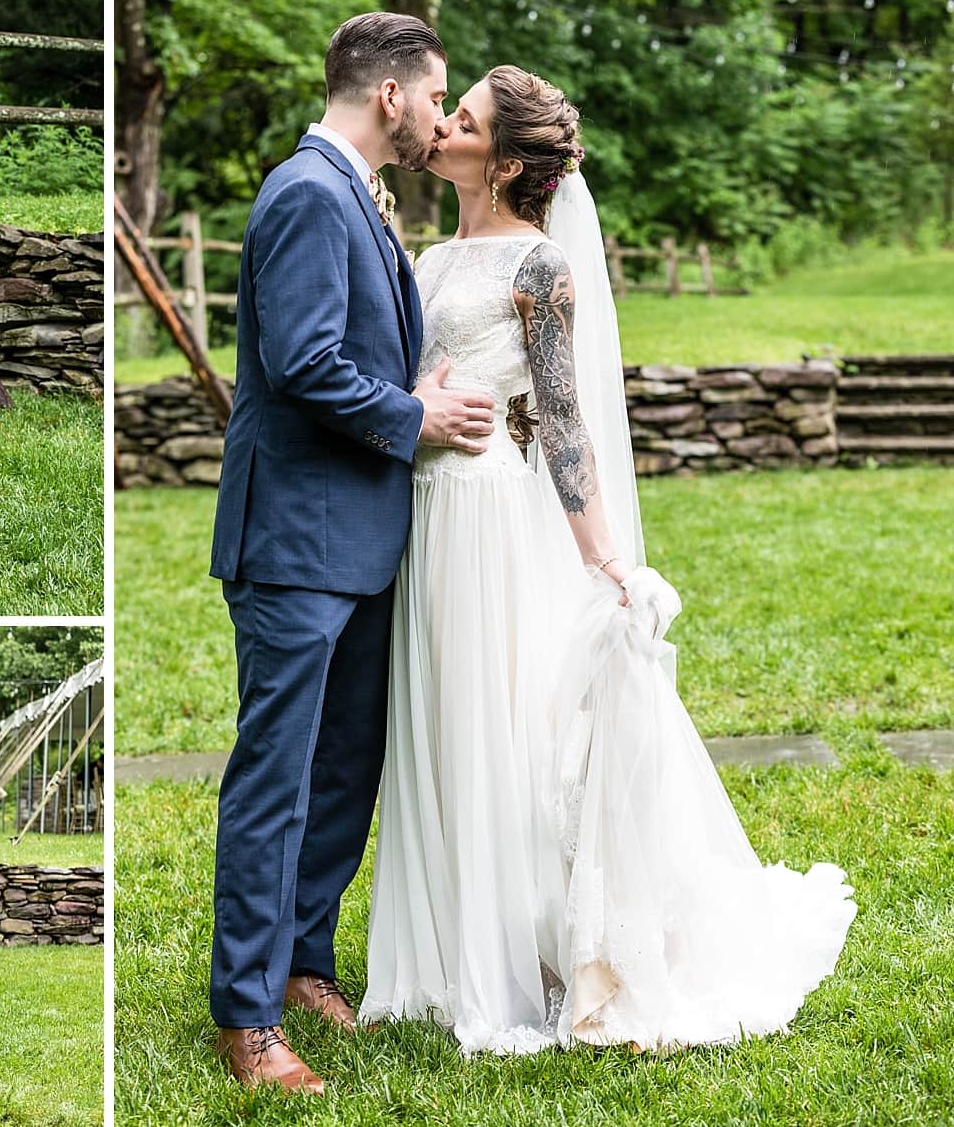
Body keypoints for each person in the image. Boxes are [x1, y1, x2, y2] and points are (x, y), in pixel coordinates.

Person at [360, 65, 856, 1054]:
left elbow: (561, 418)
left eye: (465, 122)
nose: (443, 128)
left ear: (504, 164)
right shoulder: (427, 256)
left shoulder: (539, 266)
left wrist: (605, 562)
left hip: (490, 520)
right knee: (444, 724)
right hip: (426, 509)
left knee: (503, 727)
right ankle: (458, 942)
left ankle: (535, 951)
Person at [206, 12, 497, 1094]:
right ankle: (245, 1019)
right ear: (389, 95)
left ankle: (301, 963)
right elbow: (303, 363)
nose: (438, 116)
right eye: (435, 97)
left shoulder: (356, 193)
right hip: (294, 539)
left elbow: (352, 351)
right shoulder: (306, 192)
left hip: (364, 539)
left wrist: (414, 393)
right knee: (276, 780)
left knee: (342, 771)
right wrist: (416, 416)